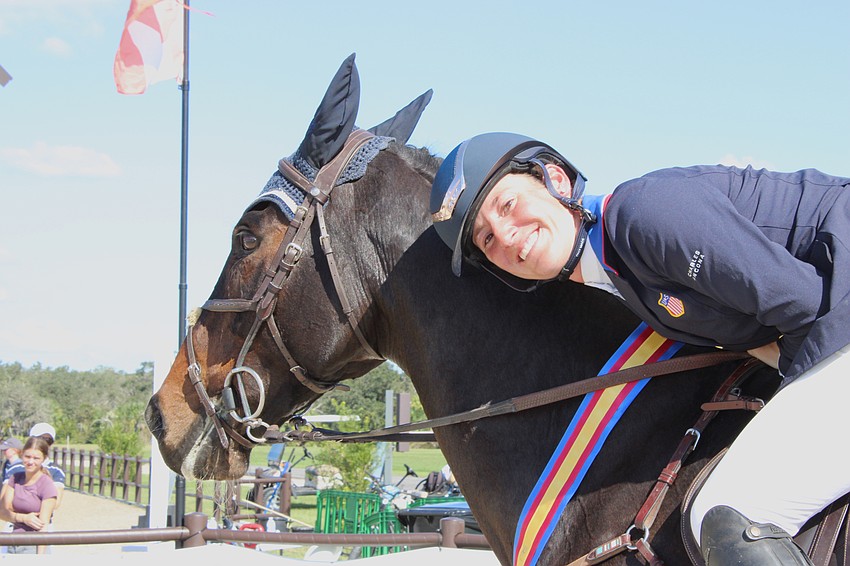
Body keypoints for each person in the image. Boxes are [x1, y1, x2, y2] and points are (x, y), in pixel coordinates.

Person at [429, 132, 850, 566]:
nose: (507, 235)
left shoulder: (642, 215)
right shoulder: (618, 275)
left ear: (555, 178)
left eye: (508, 205)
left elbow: (799, 303)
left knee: (728, 517)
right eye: (487, 239)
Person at [1, 436, 58, 554]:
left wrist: (40, 558)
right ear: (22, 455)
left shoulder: (47, 485)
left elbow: (43, 525)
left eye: (36, 458)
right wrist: (23, 518)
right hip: (13, 541)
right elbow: (3, 512)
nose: (30, 462)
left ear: (44, 459)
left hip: (32, 545)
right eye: (27, 457)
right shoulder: (15, 478)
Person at [28, 423, 65, 511]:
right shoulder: (19, 467)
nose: (44, 443)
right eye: (40, 439)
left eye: (48, 440)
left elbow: (55, 503)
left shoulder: (56, 470)